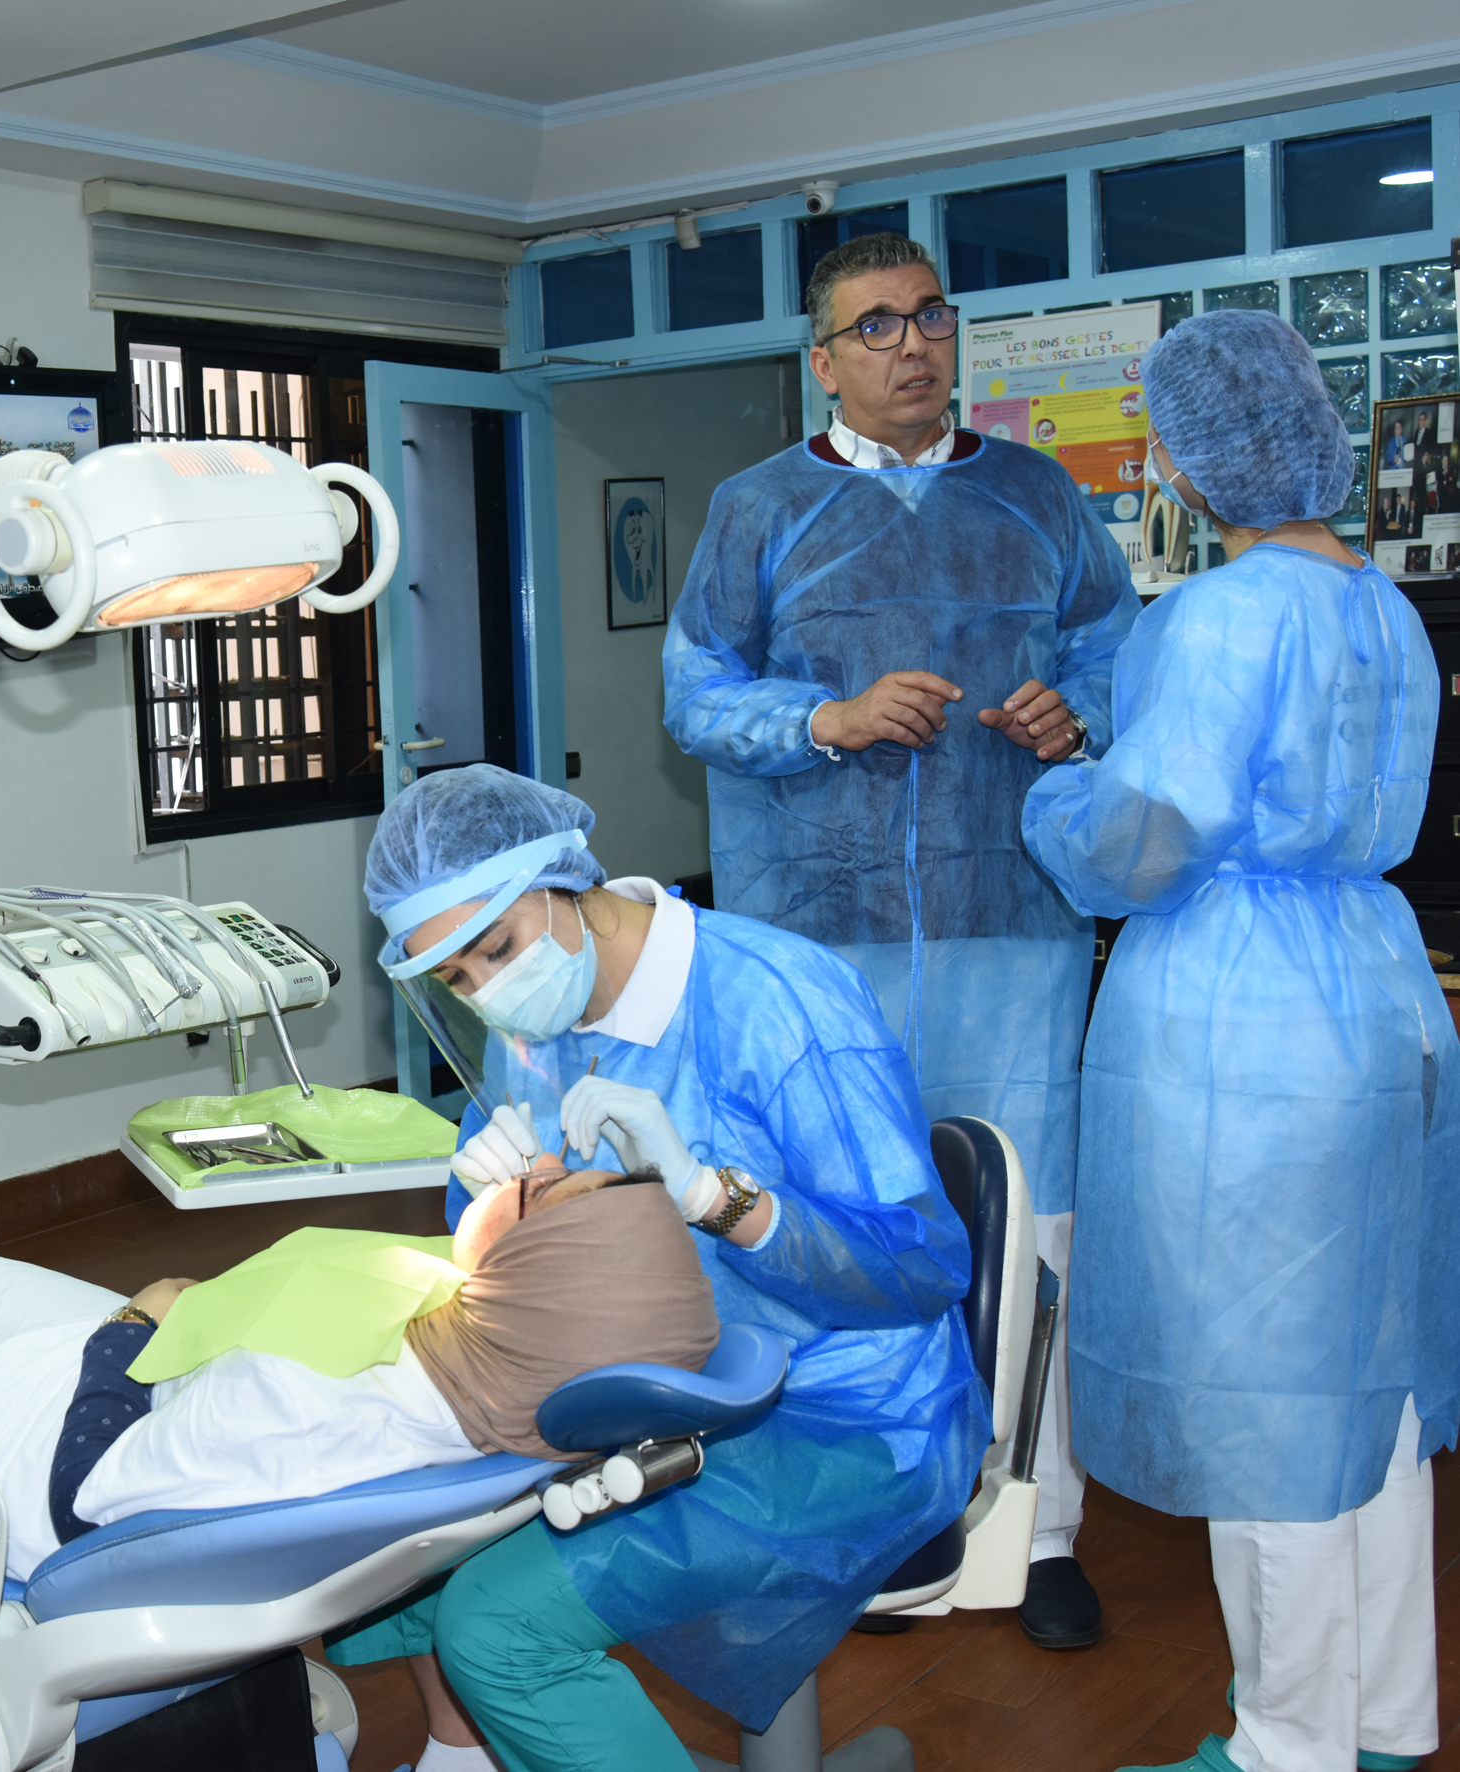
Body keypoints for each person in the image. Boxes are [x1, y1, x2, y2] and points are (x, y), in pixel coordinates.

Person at [661, 229, 1141, 1646]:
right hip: (824, 938)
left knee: (1030, 1226)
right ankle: (862, 1522)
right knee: (838, 1226)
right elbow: (693, 690)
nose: (912, 344)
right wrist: (825, 718)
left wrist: (1077, 713)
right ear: (822, 360)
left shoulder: (1038, 497)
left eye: (930, 316)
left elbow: (1116, 652)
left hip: (1012, 926)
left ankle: (1036, 1529)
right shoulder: (758, 508)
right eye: (875, 325)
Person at [326, 765, 984, 1772]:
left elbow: (922, 1266)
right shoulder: (529, 1029)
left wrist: (713, 1196)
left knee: (498, 1629)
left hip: (840, 1416)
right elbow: (520, 1259)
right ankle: (462, 1758)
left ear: (565, 880)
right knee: (386, 1540)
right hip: (638, 1387)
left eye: (497, 948)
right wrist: (489, 1200)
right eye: (454, 978)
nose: (489, 989)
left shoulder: (778, 1001)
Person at [1021, 308, 1458, 1772]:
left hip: (1244, 1020)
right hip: (1378, 987)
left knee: (1264, 1391)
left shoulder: (1216, 614)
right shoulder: (1382, 605)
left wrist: (1053, 799)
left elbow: (1148, 834)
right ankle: (1382, 1719)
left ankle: (1284, 1744)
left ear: (1196, 460)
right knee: (1369, 1378)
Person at [0, 1168, 717, 1579]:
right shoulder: (497, 1366)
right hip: (173, 1375)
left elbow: (80, 1499)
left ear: (538, 1284)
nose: (536, 1161)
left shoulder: (299, 1397)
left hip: (34, 1449)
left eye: (543, 1190)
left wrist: (130, 1325)